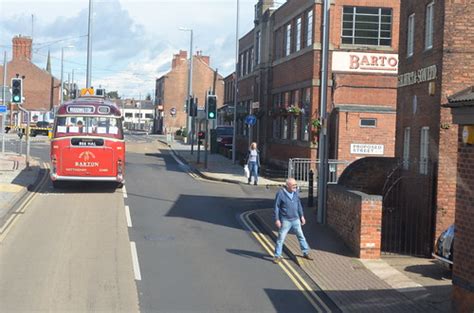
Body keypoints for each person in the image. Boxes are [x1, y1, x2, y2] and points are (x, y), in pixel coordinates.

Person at [273, 177, 313, 264]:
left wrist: (302, 216)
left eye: (296, 184)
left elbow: (299, 205)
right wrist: (277, 219)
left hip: (296, 219)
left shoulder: (296, 192)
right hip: (285, 220)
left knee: (301, 236)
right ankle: (277, 256)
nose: (295, 186)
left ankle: (305, 252)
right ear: (287, 186)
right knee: (281, 238)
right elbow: (276, 207)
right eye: (293, 185)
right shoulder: (281, 194)